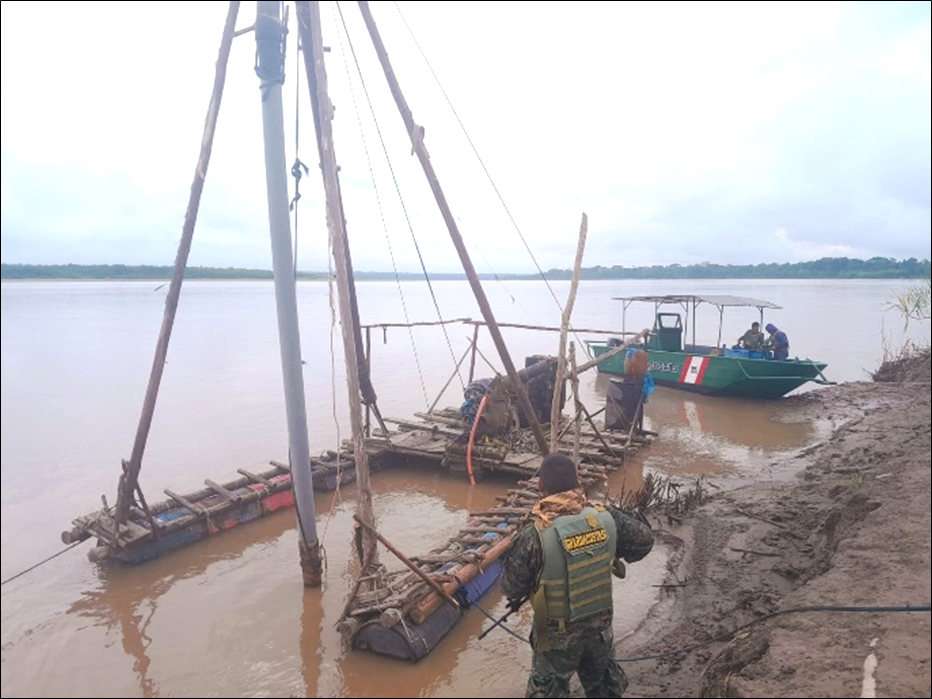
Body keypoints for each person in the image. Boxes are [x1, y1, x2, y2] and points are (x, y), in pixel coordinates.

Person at [501, 453, 654, 698]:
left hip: (555, 639)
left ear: (541, 487)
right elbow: (645, 542)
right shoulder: (606, 517)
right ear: (577, 482)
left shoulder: (533, 534)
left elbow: (511, 587)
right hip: (600, 630)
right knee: (604, 691)